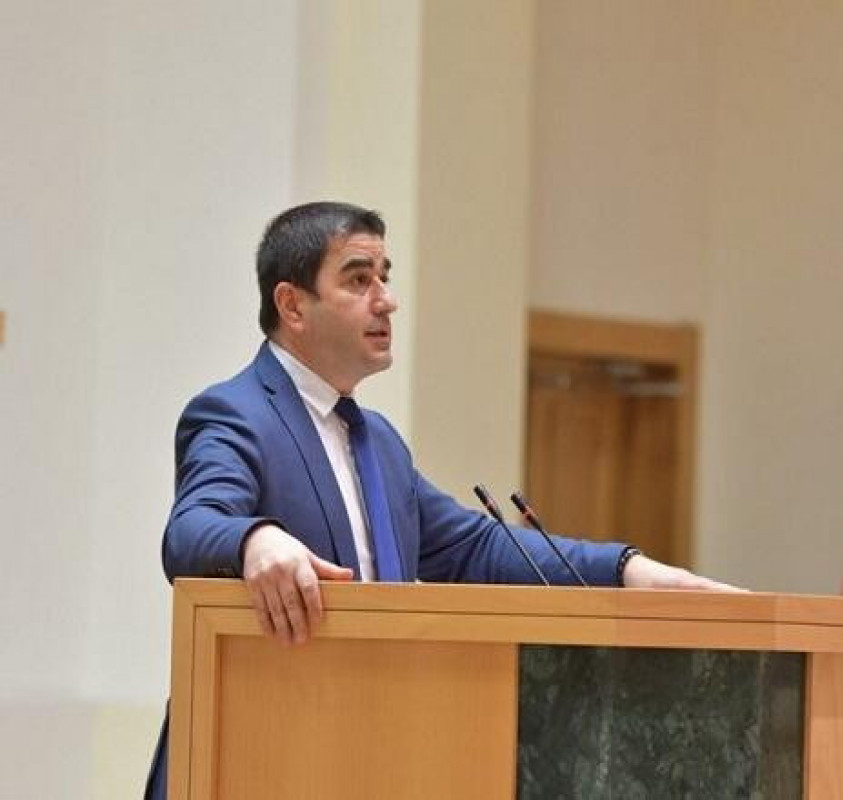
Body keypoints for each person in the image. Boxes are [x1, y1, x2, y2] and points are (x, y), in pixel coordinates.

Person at [145, 201, 734, 799]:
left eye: (385, 276)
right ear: (292, 305)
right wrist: (254, 539)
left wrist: (627, 571)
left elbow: (476, 548)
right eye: (358, 279)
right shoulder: (236, 413)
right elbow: (190, 529)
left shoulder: (376, 442)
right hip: (251, 759)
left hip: (357, 756)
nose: (386, 300)